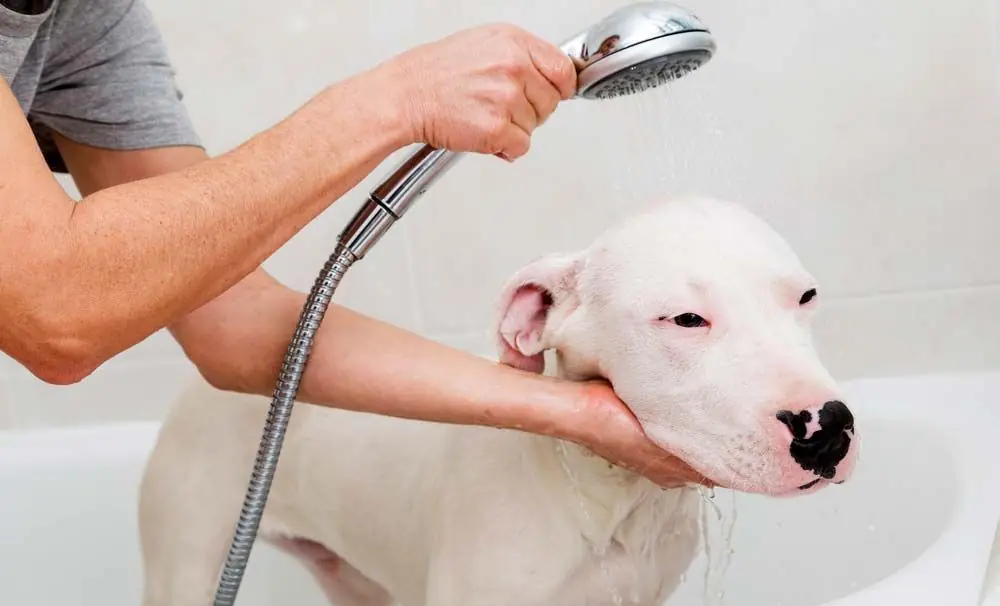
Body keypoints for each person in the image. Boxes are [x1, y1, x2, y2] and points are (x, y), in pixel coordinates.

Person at [0, 0, 709, 488]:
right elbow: (58, 309)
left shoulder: (82, 18)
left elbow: (230, 321)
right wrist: (394, 101)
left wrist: (577, 414)